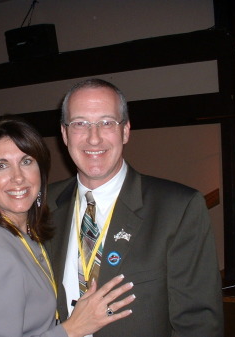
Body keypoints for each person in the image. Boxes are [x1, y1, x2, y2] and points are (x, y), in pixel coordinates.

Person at [46, 78, 224, 337]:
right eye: (80, 124)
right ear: (64, 134)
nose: (93, 138)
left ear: (126, 130)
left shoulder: (178, 208)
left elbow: (199, 325)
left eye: (106, 122)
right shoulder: (42, 204)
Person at [0, 118, 136, 337]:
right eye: (1, 165)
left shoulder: (25, 235)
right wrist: (72, 329)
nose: (18, 177)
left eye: (26, 161)